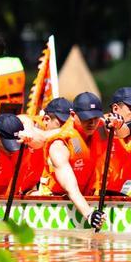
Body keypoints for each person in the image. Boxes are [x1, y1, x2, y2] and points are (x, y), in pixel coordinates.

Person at [37, 92, 110, 229]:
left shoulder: (101, 127)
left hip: (90, 196)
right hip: (58, 199)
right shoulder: (59, 144)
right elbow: (71, 188)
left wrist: (119, 124)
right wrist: (89, 214)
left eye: (95, 118)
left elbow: (128, 129)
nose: (92, 123)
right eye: (86, 118)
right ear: (72, 115)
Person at [103, 87, 131, 195]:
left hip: (125, 195)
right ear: (115, 109)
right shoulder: (103, 125)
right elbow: (124, 130)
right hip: (96, 194)